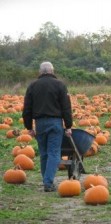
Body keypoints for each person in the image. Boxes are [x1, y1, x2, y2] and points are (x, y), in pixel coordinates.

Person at [22, 61, 73, 192]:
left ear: (40, 72)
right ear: (52, 71)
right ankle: (48, 182)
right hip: (55, 122)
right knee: (54, 153)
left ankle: (46, 180)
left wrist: (29, 127)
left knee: (44, 153)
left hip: (40, 123)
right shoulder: (60, 85)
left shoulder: (32, 86)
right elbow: (66, 107)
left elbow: (27, 108)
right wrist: (68, 126)